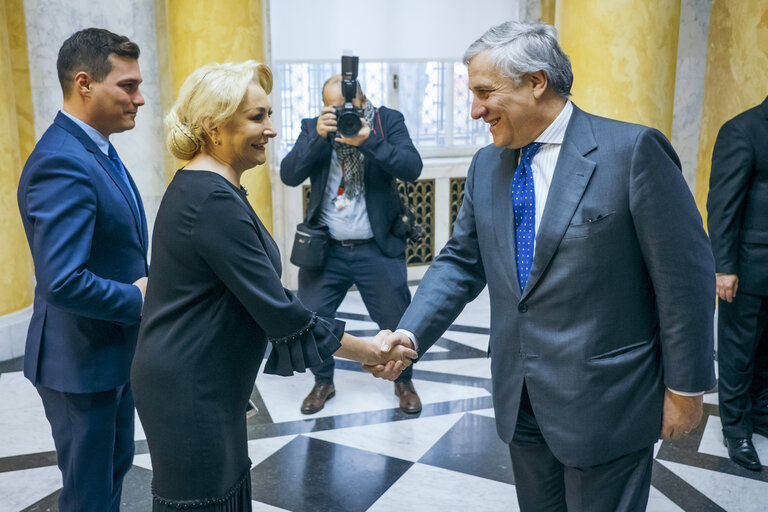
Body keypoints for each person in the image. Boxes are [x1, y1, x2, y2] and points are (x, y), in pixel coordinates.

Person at [368, 21, 716, 511]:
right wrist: (411, 333)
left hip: (607, 399)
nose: (474, 110)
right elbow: (462, 261)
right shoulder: (488, 165)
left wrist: (686, 388)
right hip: (520, 398)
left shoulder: (632, 151)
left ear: (536, 82)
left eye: (485, 92)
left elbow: (685, 278)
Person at [130, 60, 416, 510]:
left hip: (205, 380)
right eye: (257, 117)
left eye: (269, 115)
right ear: (214, 126)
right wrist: (370, 351)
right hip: (190, 386)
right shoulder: (210, 199)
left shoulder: (212, 188)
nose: (272, 129)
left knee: (225, 494)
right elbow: (280, 310)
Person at [16, 28, 148, 511]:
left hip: (108, 350)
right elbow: (63, 279)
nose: (140, 99)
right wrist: (139, 298)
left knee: (112, 471)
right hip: (78, 361)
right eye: (128, 86)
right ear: (85, 83)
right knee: (88, 494)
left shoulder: (96, 149)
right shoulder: (62, 161)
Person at [280, 73, 424, 414]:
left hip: (377, 245)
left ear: (362, 101)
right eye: (332, 107)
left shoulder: (386, 122)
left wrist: (367, 140)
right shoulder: (315, 127)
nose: (341, 112)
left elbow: (411, 167)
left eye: (348, 106)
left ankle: (403, 381)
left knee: (397, 317)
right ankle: (323, 381)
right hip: (326, 249)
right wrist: (317, 136)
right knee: (312, 319)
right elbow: (289, 174)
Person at [707, 95, 768, 471]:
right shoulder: (742, 130)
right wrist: (723, 266)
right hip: (747, 267)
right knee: (738, 351)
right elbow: (723, 203)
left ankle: (761, 414)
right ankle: (735, 429)